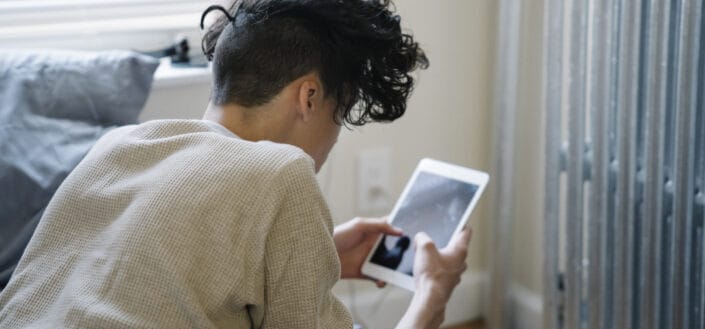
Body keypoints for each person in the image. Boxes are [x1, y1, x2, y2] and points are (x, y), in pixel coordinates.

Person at [0, 1, 472, 328]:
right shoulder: (282, 170)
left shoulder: (119, 144)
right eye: (339, 114)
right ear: (308, 96)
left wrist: (318, 253)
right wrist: (432, 295)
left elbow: (140, 276)